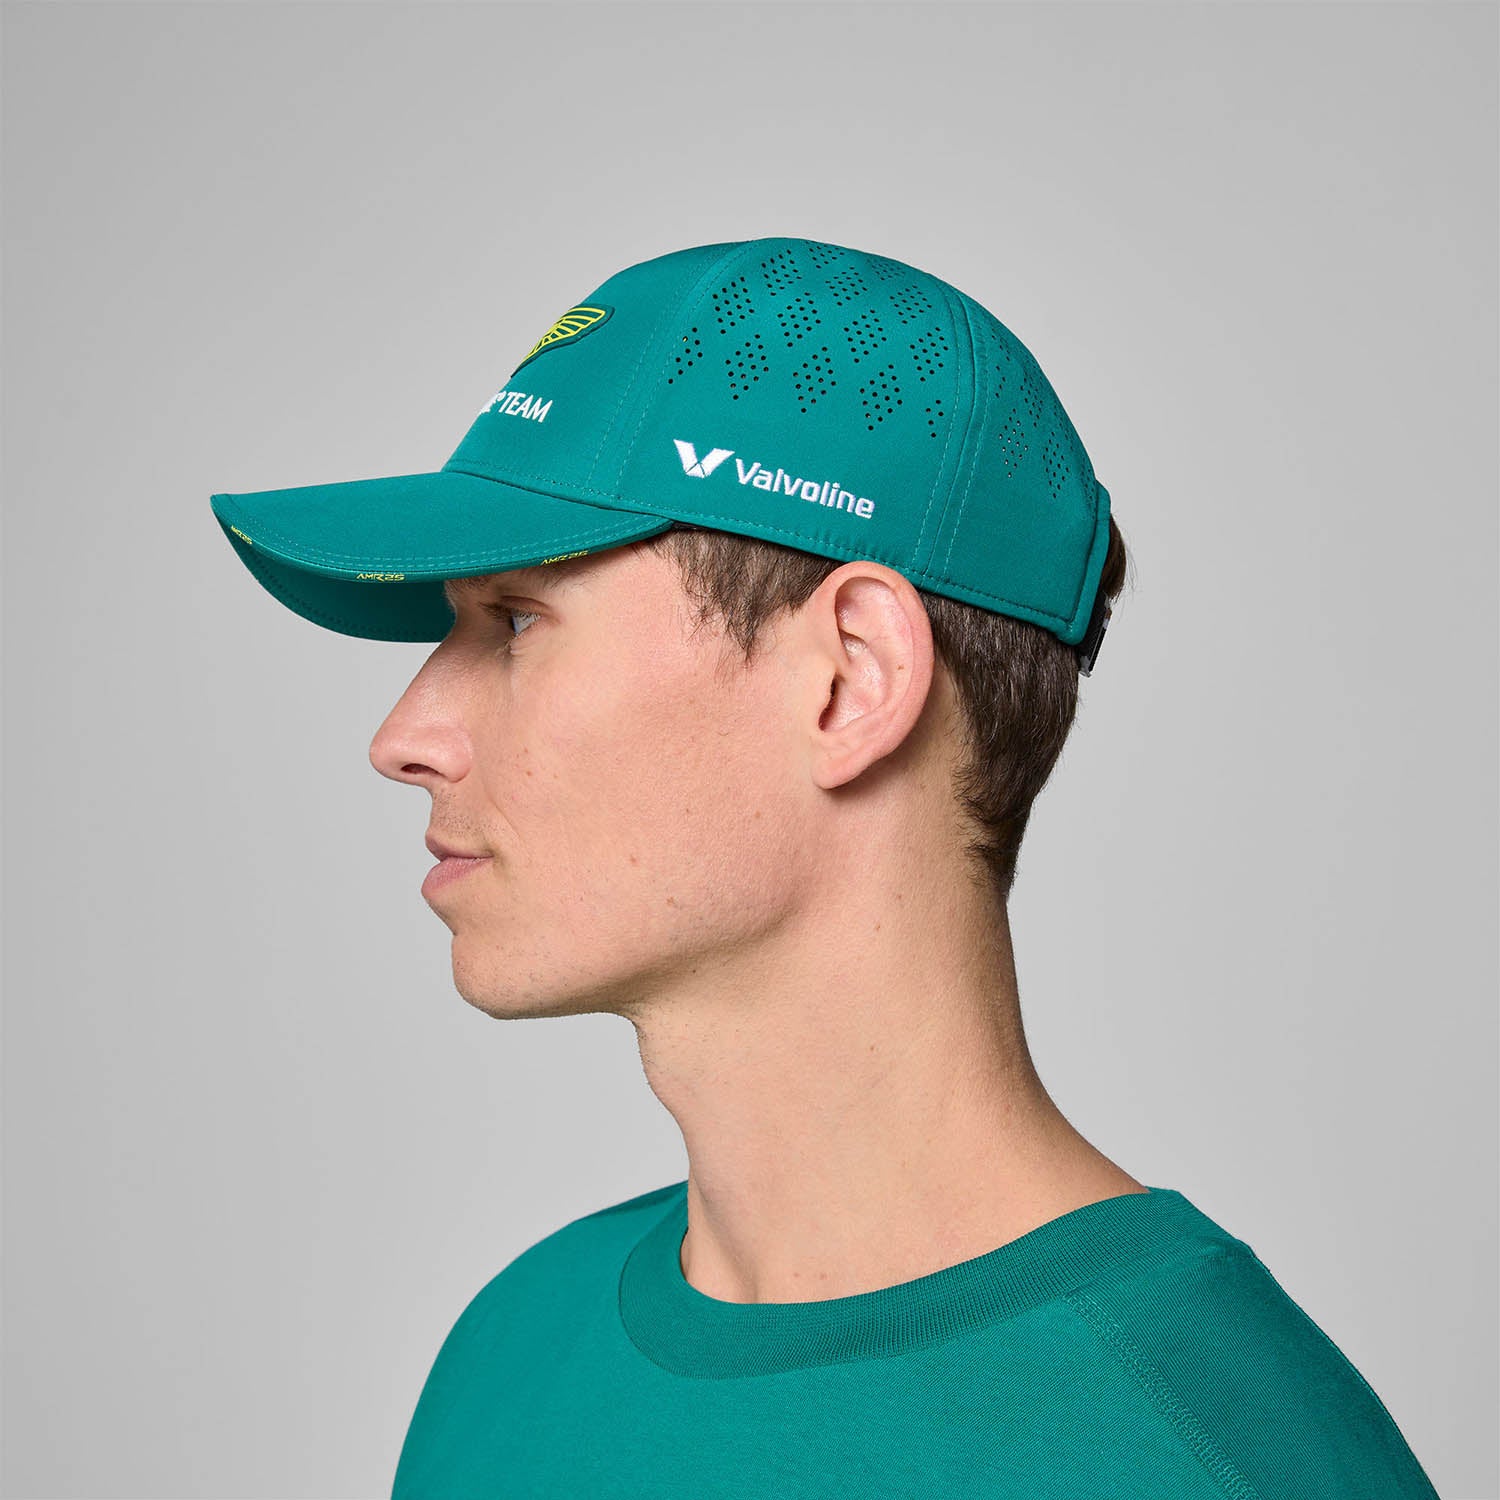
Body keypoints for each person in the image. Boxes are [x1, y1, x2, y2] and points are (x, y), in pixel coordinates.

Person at [210, 236, 1439, 1497]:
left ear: (852, 681)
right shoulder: (513, 1356)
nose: (404, 737)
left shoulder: (1210, 1456)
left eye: (517, 621)